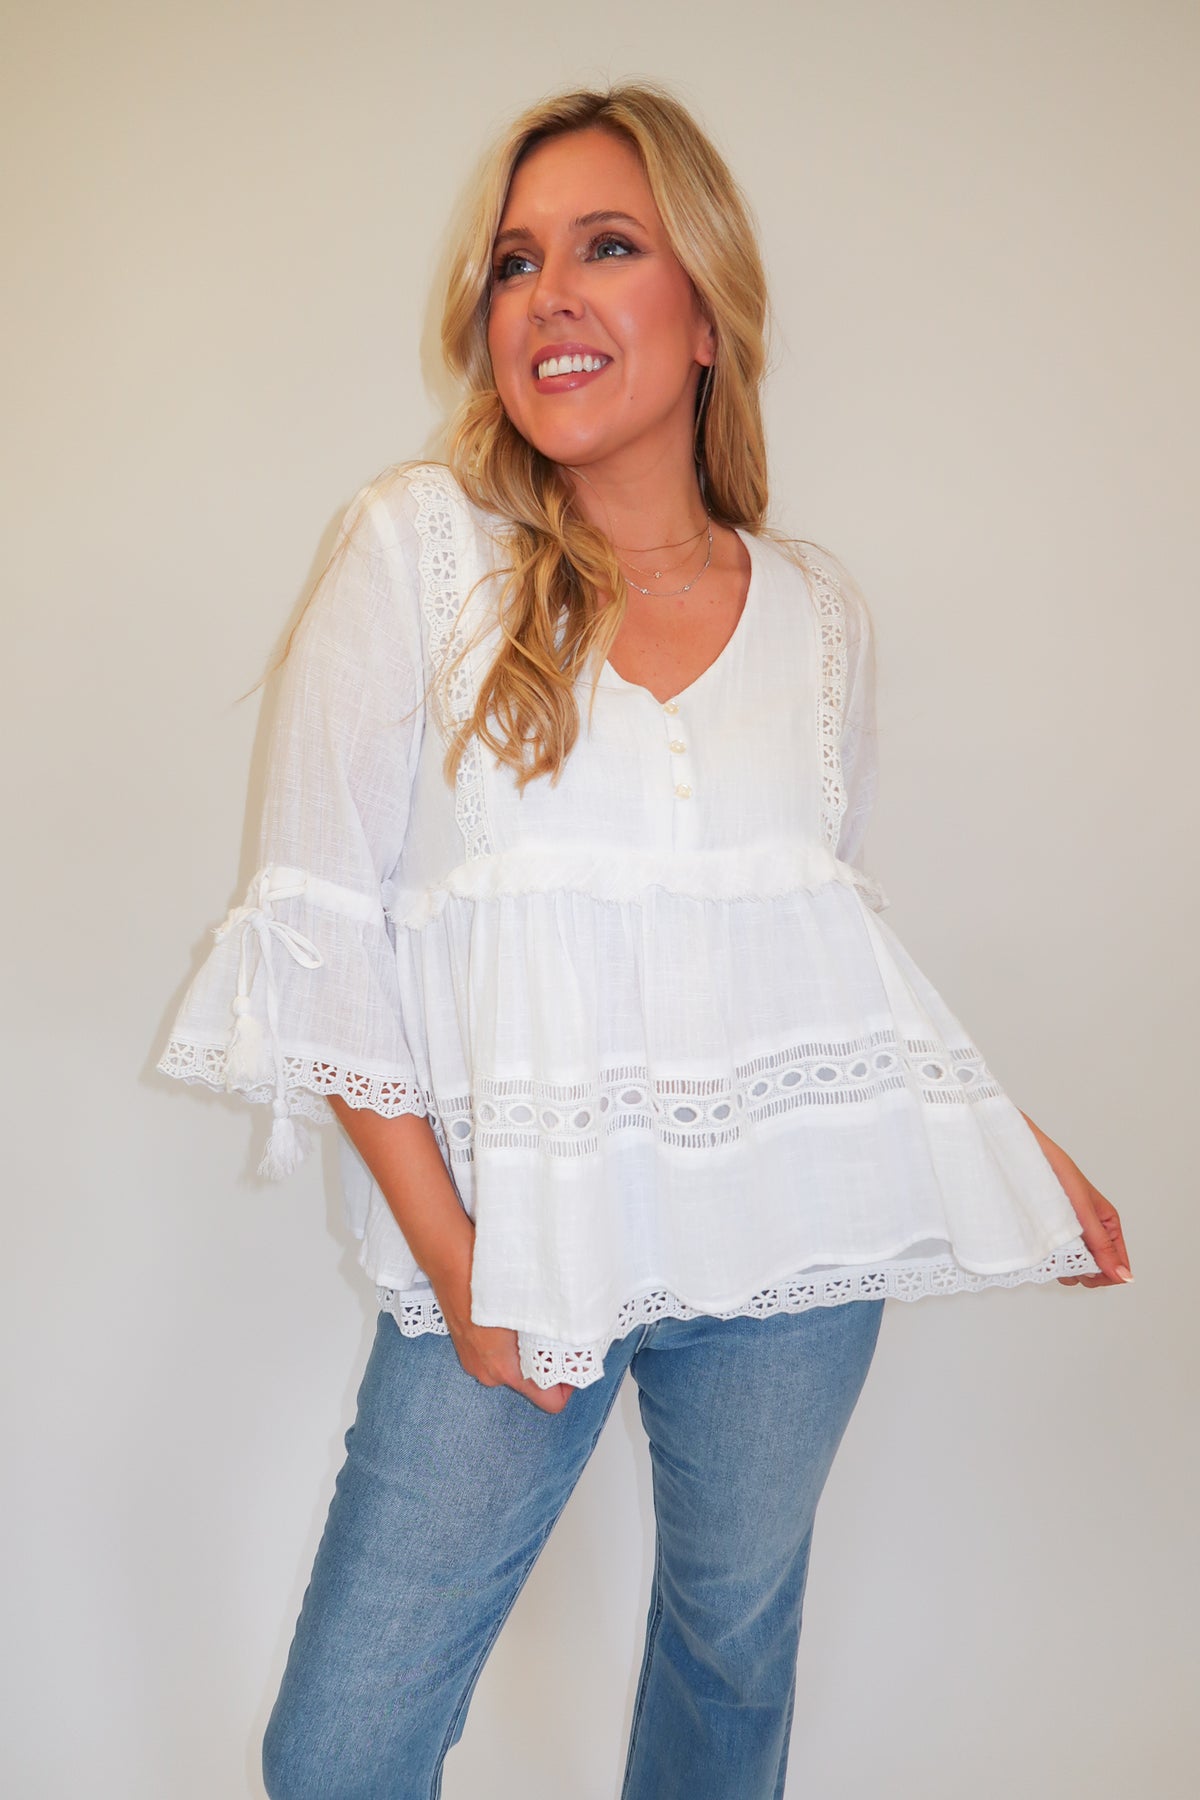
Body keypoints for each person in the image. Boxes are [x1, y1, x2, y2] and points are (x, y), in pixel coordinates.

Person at [158, 82, 1131, 1800]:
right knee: (341, 1747)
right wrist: (462, 1265)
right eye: (515, 262)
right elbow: (320, 936)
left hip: (784, 1240)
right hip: (509, 1239)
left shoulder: (818, 616)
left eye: (607, 245)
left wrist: (999, 1139)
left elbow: (819, 941)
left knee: (728, 1666)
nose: (549, 294)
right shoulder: (417, 552)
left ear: (705, 313)